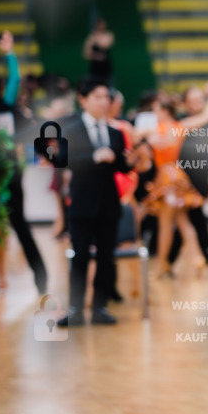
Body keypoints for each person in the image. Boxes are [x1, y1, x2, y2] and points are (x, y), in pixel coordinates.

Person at [0, 30, 47, 294]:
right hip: (12, 177)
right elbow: (15, 77)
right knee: (22, 228)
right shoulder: (12, 109)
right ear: (2, 90)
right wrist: (9, 52)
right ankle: (42, 279)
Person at [57, 79, 136, 326]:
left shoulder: (115, 132)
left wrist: (130, 161)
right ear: (83, 99)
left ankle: (101, 307)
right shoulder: (70, 129)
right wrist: (94, 157)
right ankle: (76, 309)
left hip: (108, 202)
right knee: (79, 258)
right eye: (98, 97)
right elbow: (64, 159)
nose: (104, 102)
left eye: (107, 97)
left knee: (105, 258)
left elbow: (122, 167)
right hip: (82, 201)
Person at [135, 83, 208, 278]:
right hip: (178, 176)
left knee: (167, 224)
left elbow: (135, 139)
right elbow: (205, 117)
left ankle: (161, 266)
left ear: (164, 110)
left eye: (156, 109)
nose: (153, 112)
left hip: (167, 179)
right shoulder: (178, 127)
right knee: (183, 222)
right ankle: (198, 258)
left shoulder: (156, 130)